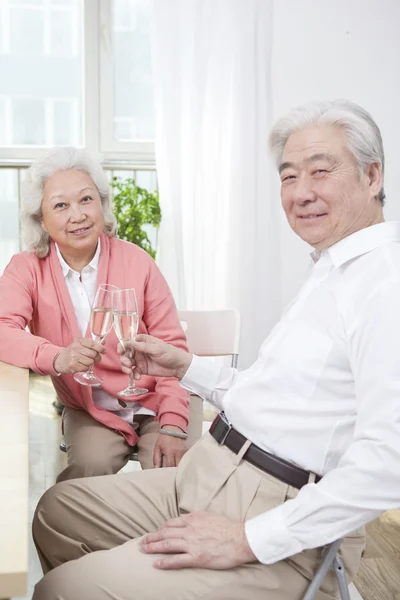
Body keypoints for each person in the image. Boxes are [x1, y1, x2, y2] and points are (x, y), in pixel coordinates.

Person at [32, 100, 400, 600]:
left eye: (320, 171)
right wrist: (184, 366)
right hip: (215, 468)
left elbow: (388, 464)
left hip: (272, 511)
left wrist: (246, 540)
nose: (301, 192)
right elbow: (271, 396)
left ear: (372, 175)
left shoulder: (385, 282)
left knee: (64, 589)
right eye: (289, 177)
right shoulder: (331, 269)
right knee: (57, 512)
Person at [0, 147, 191, 481]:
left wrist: (173, 423)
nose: (78, 215)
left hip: (157, 398)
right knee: (87, 474)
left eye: (86, 200)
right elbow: (3, 329)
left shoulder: (137, 261)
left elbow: (172, 344)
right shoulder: (26, 268)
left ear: (102, 205)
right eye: (61, 205)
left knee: (172, 477)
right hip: (90, 409)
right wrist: (57, 357)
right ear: (41, 219)